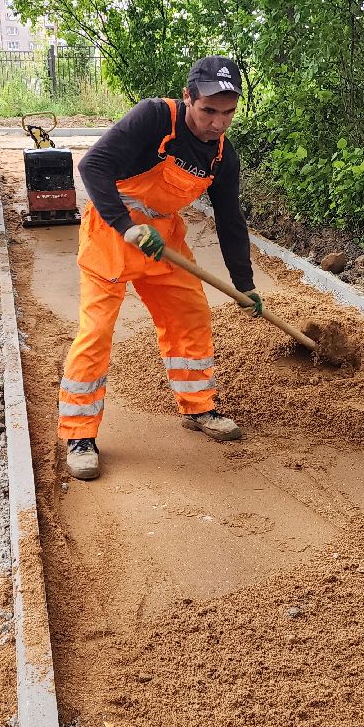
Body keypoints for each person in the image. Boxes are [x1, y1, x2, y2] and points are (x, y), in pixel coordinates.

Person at [57, 56, 262, 480]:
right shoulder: (154, 118)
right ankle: (80, 435)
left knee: (190, 317)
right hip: (112, 235)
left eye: (228, 113)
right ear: (188, 98)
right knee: (96, 332)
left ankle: (198, 408)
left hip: (164, 241)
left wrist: (245, 284)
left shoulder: (223, 155)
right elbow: (92, 166)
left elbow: (230, 219)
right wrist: (127, 227)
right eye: (208, 111)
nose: (218, 124)